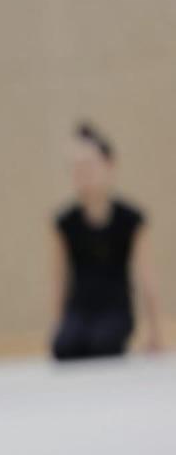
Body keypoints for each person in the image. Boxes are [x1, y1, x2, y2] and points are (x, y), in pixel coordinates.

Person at [50, 122, 164, 360]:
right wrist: (57, 324)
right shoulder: (65, 223)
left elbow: (147, 277)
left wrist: (156, 331)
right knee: (65, 346)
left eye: (89, 165)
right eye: (76, 168)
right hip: (80, 309)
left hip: (115, 309)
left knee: (103, 344)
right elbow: (59, 279)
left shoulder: (130, 220)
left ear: (109, 165)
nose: (83, 174)